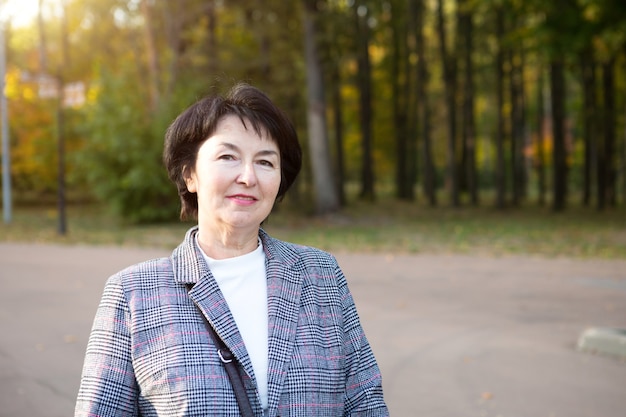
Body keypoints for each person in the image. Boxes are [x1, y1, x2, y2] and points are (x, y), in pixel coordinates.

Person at [75, 83, 389, 416]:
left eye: (266, 162)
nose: (248, 176)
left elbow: (365, 402)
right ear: (190, 175)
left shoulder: (321, 275)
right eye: (228, 157)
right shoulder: (132, 294)